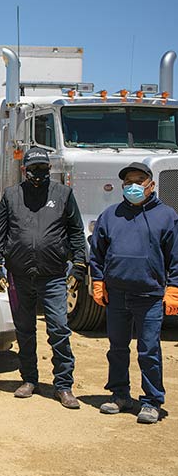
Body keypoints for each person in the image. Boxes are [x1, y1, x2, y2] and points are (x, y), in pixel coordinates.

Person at [0, 147, 86, 409]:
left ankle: (63, 385)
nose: (38, 175)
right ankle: (29, 379)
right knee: (24, 330)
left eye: (43, 169)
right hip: (19, 275)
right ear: (24, 170)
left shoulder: (63, 194)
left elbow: (76, 231)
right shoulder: (11, 195)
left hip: (53, 276)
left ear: (49, 169)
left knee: (58, 329)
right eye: (33, 170)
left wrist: (79, 265)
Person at [89, 162, 178, 424]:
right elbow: (97, 252)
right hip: (116, 295)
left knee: (149, 349)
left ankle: (151, 401)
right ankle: (120, 395)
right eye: (128, 182)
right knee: (117, 348)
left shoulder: (167, 216)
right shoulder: (110, 215)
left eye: (139, 180)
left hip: (149, 295)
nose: (133, 186)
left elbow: (175, 256)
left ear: (151, 184)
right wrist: (98, 281)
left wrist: (173, 287)